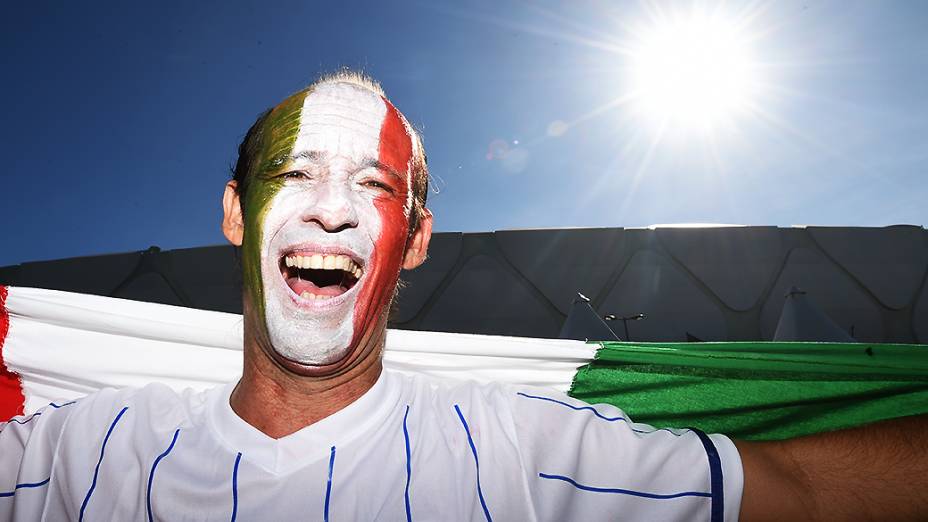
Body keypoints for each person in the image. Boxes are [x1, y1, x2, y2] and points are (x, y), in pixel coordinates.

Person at [0, 71, 925, 522]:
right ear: (238, 215)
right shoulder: (77, 460)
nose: (330, 212)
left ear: (416, 240)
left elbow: (801, 491)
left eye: (374, 185)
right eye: (296, 172)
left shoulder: (530, 449)